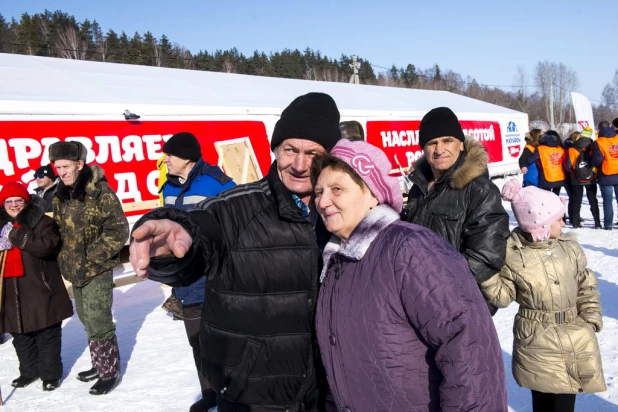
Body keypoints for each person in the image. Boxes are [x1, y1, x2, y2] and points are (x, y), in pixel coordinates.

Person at [129, 92, 342, 411]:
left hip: (330, 393)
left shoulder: (344, 216)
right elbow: (199, 231)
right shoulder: (234, 209)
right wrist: (174, 239)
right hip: (252, 396)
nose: (299, 165)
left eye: (312, 153)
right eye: (289, 150)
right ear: (275, 149)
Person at [312, 139, 507, 411]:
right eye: (319, 191)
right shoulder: (335, 262)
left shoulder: (409, 248)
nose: (323, 201)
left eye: (337, 189)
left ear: (372, 194)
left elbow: (469, 349)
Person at [480, 179, 606, 412]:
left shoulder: (569, 248)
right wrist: (485, 275)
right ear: (541, 224)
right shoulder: (513, 255)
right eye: (559, 219)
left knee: (565, 401)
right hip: (536, 340)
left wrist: (590, 319)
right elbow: (503, 297)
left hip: (573, 336)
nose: (564, 223)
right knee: (545, 403)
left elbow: (585, 285)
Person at [401, 107, 510, 315]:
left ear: (461, 144)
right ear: (423, 148)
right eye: (432, 143)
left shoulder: (479, 189)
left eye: (447, 140)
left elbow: (486, 254)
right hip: (421, 299)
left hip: (460, 304)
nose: (439, 149)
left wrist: (439, 288)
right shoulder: (419, 187)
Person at [160, 131, 236, 412]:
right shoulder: (168, 187)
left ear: (187, 158)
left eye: (170, 154)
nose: (165, 159)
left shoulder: (217, 184)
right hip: (187, 280)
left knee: (225, 342)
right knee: (198, 343)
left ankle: (232, 392)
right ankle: (210, 393)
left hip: (217, 279)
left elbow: (238, 225)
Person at [49, 140, 129, 395]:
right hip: (75, 270)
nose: (60, 172)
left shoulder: (100, 192)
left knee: (98, 318)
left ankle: (109, 373)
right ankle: (99, 363)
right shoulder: (59, 196)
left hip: (97, 268)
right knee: (85, 317)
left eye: (65, 166)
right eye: (57, 166)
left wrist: (91, 257)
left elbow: (118, 230)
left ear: (79, 164)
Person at [0, 182, 73, 391]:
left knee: (46, 333)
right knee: (20, 335)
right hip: (10, 291)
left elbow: (46, 247)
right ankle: (29, 371)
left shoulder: (42, 223)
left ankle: (50, 375)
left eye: (18, 200)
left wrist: (15, 235)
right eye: (9, 201)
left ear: (27, 202)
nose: (14, 205)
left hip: (41, 288)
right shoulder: (0, 228)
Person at [563, 128, 601, 229]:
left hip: (576, 178)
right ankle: (597, 222)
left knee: (576, 200)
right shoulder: (593, 147)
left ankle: (575, 223)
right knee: (593, 200)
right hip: (591, 177)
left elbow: (568, 166)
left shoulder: (572, 149)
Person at [592, 126, 618, 230]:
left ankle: (608, 224)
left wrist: (591, 163)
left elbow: (598, 160)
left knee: (607, 200)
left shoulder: (598, 142)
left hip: (606, 174)